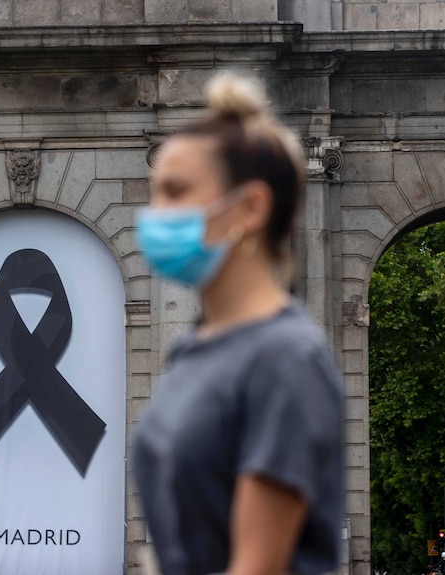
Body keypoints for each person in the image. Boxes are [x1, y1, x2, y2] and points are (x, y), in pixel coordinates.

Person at [132, 71, 345, 575]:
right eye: (154, 191)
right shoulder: (193, 349)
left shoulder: (286, 359)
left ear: (249, 207)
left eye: (175, 191)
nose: (155, 212)